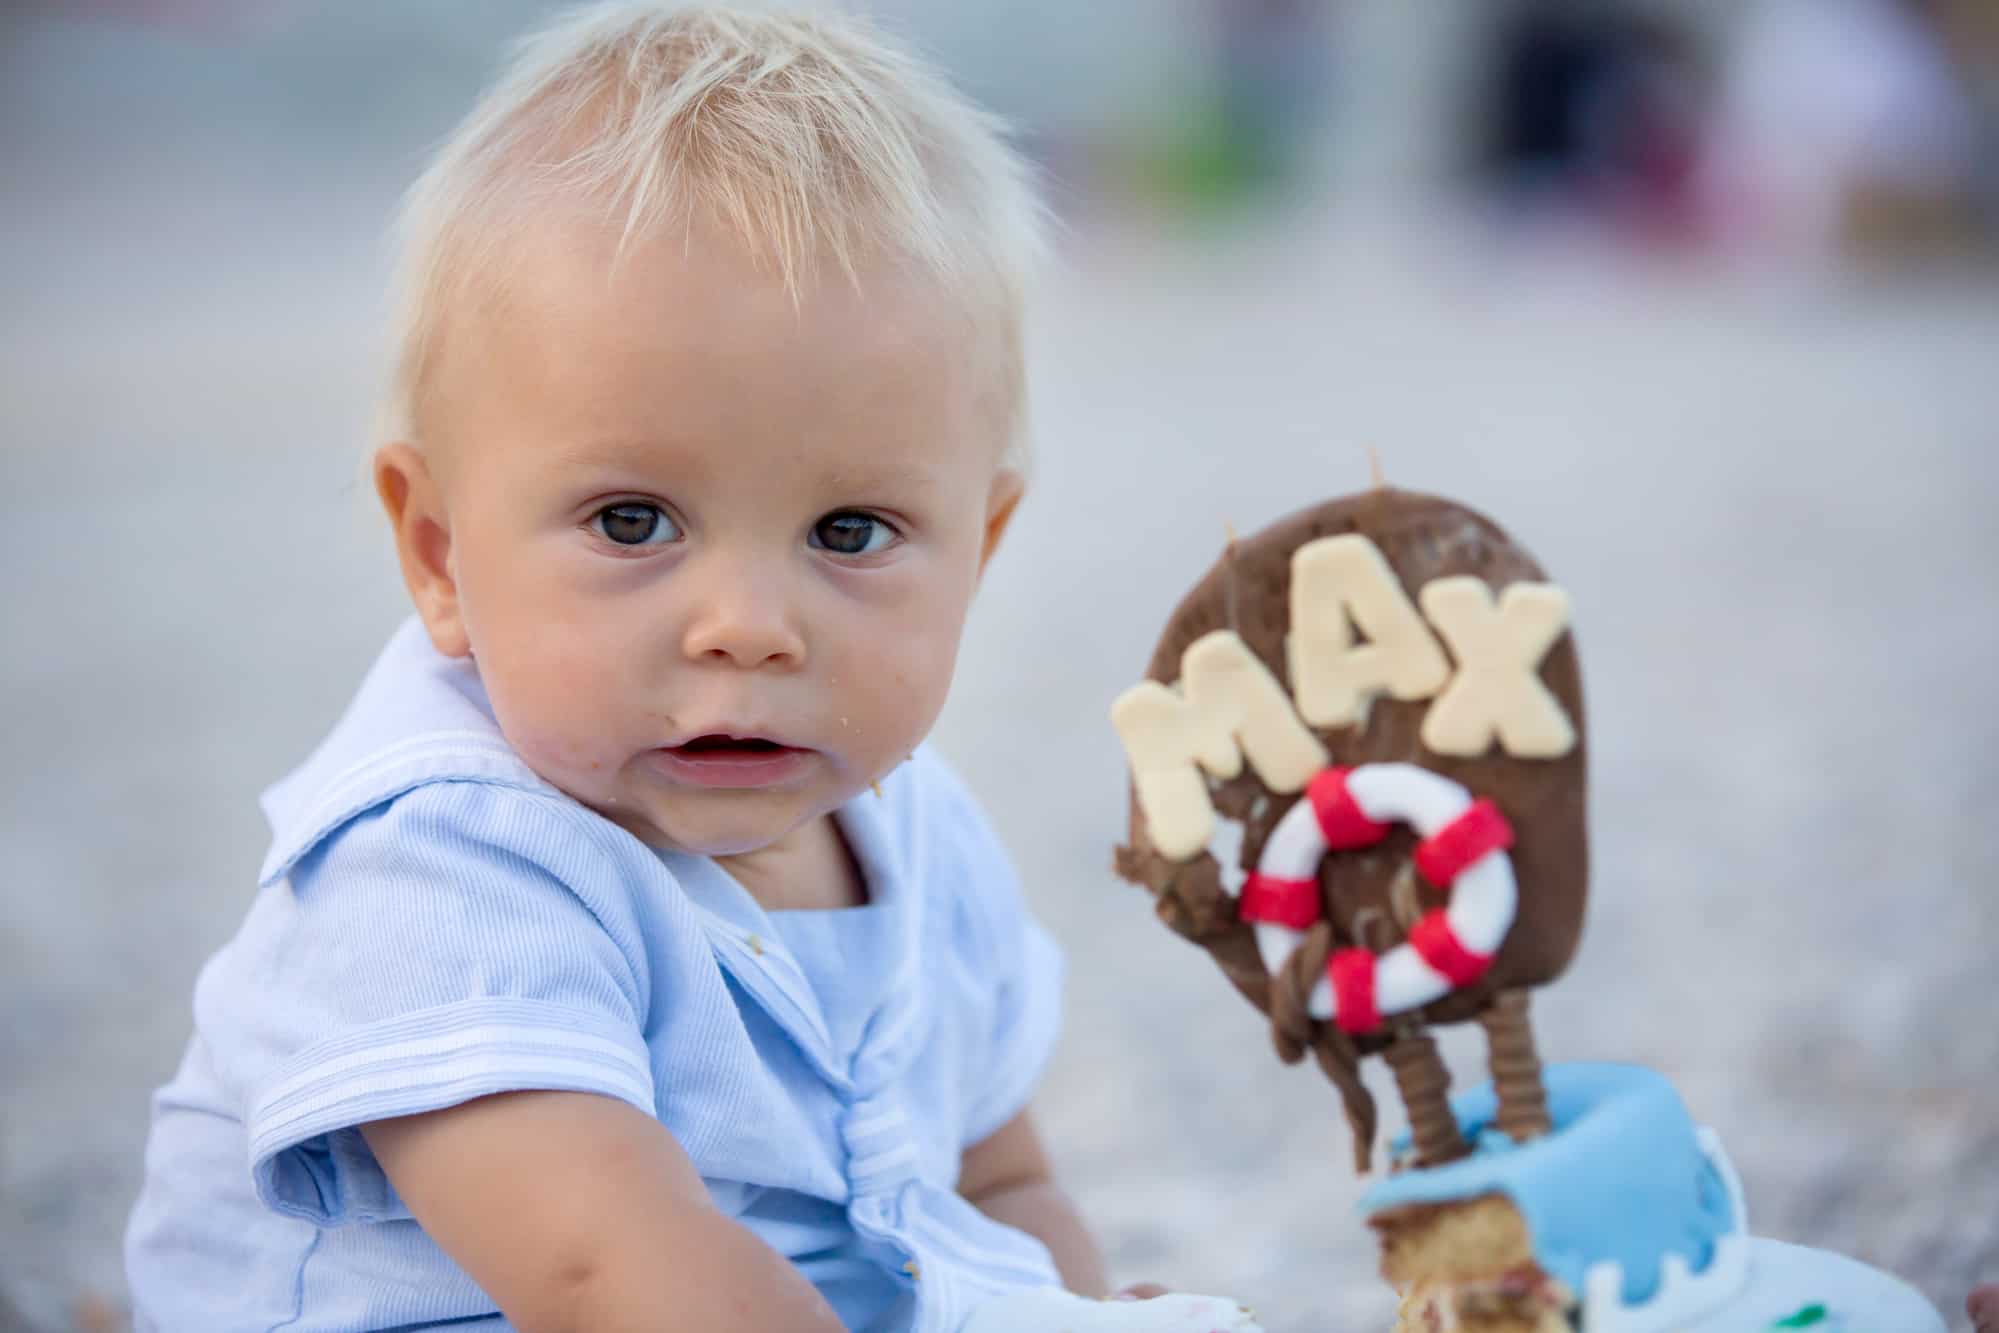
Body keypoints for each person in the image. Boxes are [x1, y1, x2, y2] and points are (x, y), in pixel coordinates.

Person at [120, 6, 1262, 1332]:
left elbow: (1000, 1179)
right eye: (631, 520)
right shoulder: (441, 862)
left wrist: (1061, 1301)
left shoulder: (922, 839)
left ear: (980, 545)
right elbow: (608, 1272)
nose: (746, 625)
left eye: (851, 532)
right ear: (439, 551)